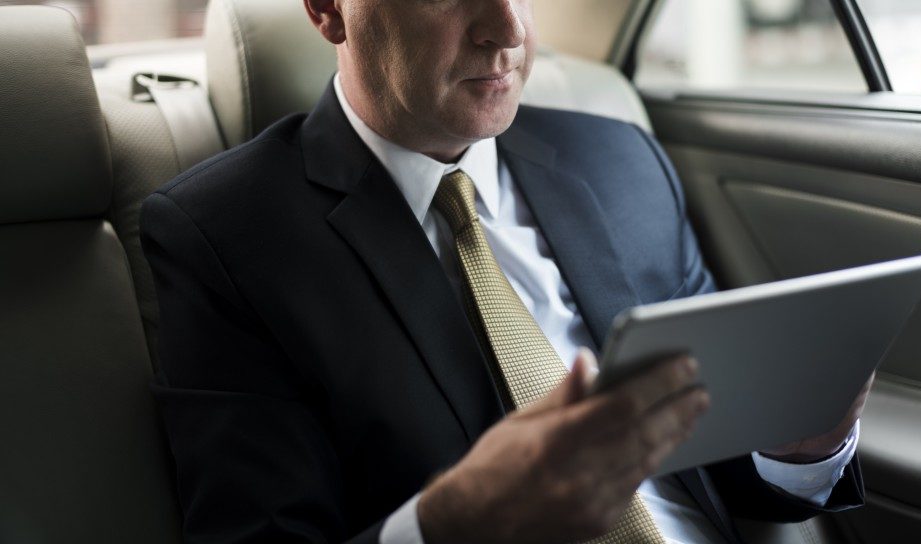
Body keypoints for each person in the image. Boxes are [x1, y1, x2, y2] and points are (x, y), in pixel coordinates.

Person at [140, 1, 868, 542]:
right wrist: (454, 521)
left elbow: (721, 460)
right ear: (330, 9)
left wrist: (800, 448)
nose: (508, 28)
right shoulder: (222, 237)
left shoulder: (623, 162)